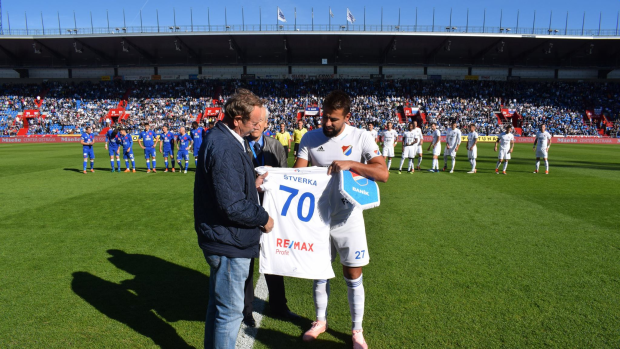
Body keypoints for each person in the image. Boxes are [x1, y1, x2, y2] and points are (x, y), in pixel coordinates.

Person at [294, 90, 389, 349]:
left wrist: (351, 164)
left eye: (334, 119)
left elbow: (383, 173)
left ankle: (357, 330)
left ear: (347, 117)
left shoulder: (361, 136)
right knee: (319, 272)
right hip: (317, 218)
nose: (327, 123)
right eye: (325, 117)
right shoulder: (310, 138)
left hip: (349, 218)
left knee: (353, 273)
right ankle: (320, 321)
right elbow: (297, 174)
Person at [194, 89, 274, 349]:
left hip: (223, 236)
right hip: (228, 239)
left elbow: (229, 187)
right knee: (229, 313)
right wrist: (264, 218)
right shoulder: (225, 145)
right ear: (237, 119)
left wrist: (253, 183)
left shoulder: (224, 138)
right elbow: (232, 205)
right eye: (254, 122)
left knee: (218, 309)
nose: (258, 126)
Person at [242, 107, 299, 328]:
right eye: (252, 121)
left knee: (274, 259)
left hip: (270, 212)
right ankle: (246, 311)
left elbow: (285, 179)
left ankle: (279, 305)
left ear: (267, 124)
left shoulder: (275, 146)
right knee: (246, 262)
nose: (255, 125)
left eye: (260, 121)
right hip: (246, 211)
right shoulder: (239, 145)